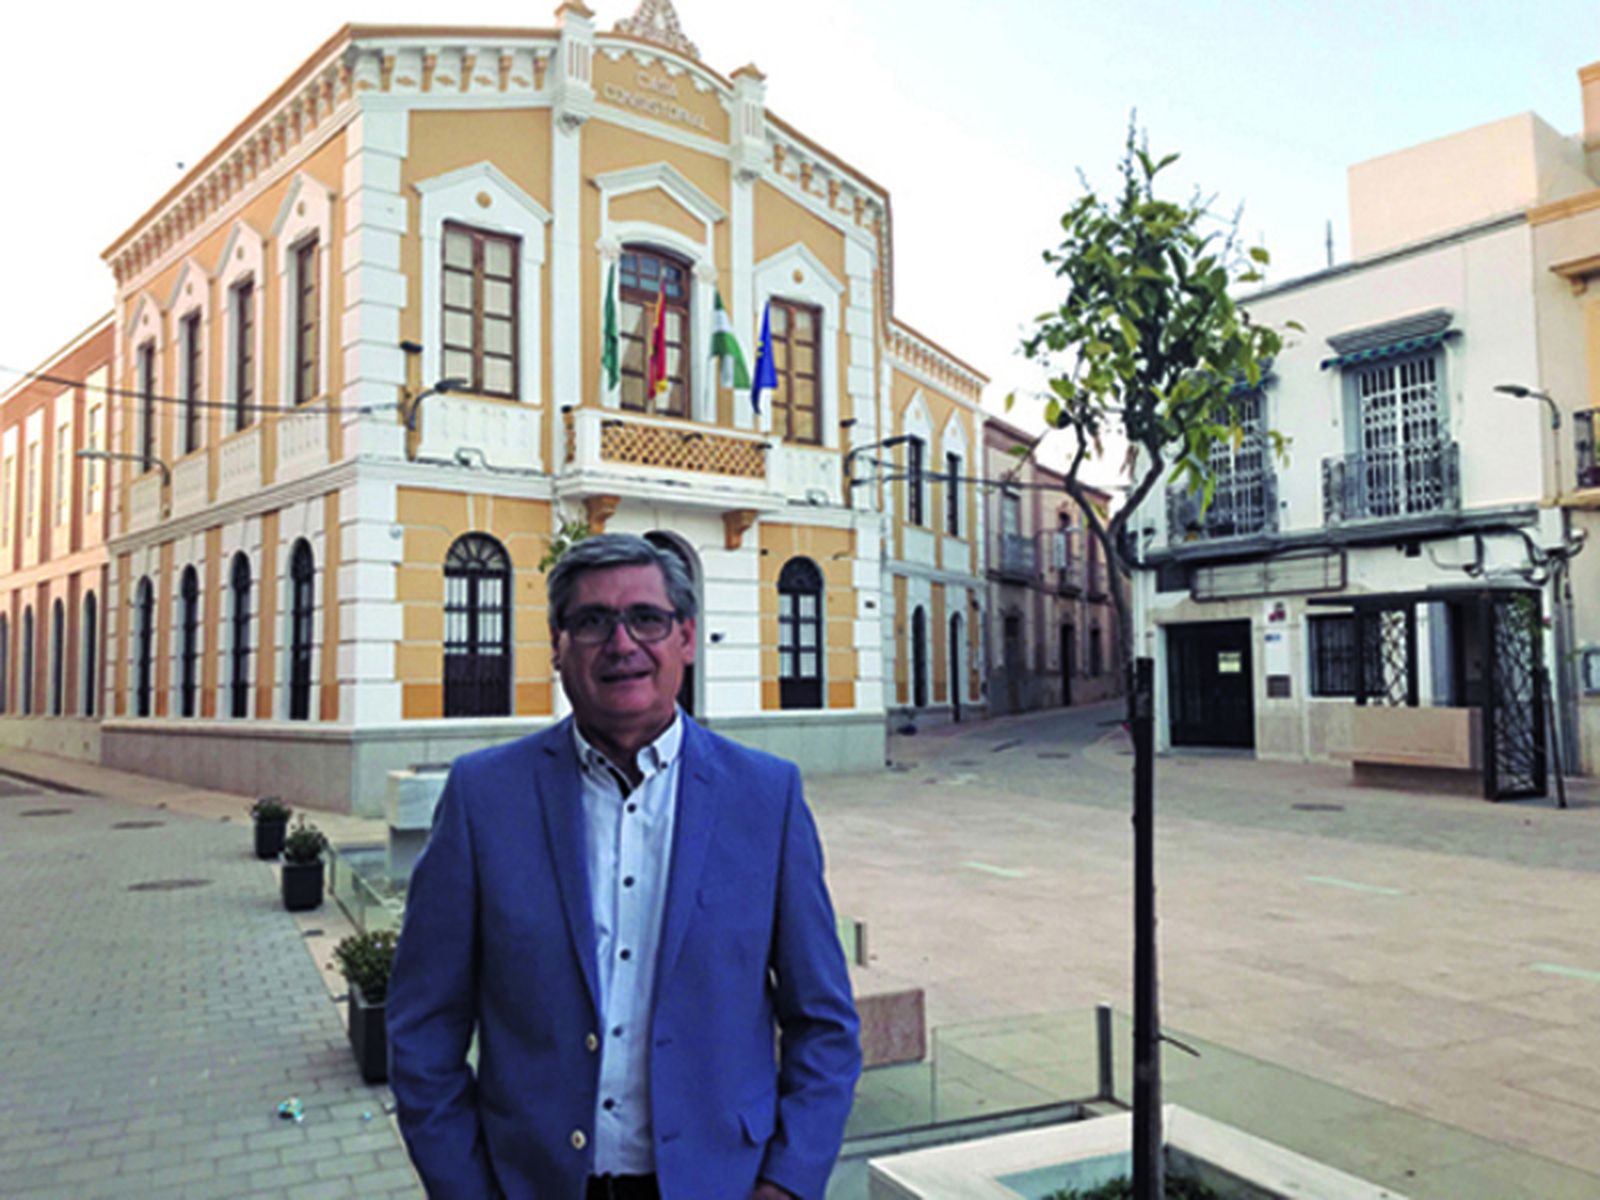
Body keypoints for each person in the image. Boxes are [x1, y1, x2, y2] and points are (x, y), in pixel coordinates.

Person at [387, 533, 861, 1200]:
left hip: (720, 1183)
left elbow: (825, 1025)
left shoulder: (765, 797)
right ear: (557, 645)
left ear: (687, 639)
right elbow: (423, 1025)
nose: (621, 643)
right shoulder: (482, 798)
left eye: (647, 618)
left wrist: (787, 1182)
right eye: (591, 622)